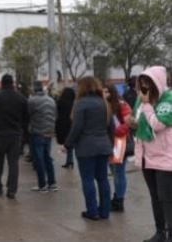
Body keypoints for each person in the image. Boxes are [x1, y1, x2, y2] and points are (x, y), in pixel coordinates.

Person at [128, 66, 172, 242]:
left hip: (165, 158)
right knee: (155, 197)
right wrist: (132, 122)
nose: (144, 86)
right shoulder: (142, 100)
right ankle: (160, 232)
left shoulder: (168, 99)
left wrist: (146, 105)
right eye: (142, 82)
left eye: (148, 82)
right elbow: (138, 120)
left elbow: (158, 125)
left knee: (166, 198)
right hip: (147, 157)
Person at [65, 76, 112, 221]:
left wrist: (68, 143)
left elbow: (77, 127)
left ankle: (92, 211)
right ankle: (105, 211)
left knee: (88, 180)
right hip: (104, 145)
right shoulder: (103, 102)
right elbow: (109, 126)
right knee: (103, 179)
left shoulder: (80, 103)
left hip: (86, 147)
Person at [0, 74, 28, 199]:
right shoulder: (21, 98)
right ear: (13, 83)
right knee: (13, 163)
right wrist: (21, 131)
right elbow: (26, 117)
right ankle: (12, 190)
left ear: (2, 83)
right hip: (15, 135)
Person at [103, 83, 132, 212]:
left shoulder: (121, 104)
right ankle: (117, 198)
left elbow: (128, 122)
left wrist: (117, 132)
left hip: (119, 142)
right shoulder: (103, 105)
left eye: (107, 92)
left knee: (119, 173)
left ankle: (119, 200)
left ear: (112, 92)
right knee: (115, 172)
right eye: (103, 92)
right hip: (109, 142)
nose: (105, 94)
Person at [28, 81, 58, 193]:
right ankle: (52, 183)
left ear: (34, 89)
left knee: (39, 159)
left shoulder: (32, 100)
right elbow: (56, 115)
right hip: (49, 132)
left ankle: (42, 185)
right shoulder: (51, 100)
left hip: (37, 132)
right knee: (47, 158)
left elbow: (28, 114)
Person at [55, 87, 76, 169]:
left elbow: (57, 112)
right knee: (70, 143)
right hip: (71, 124)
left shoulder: (60, 102)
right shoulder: (74, 103)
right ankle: (70, 161)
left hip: (62, 124)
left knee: (67, 143)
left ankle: (69, 161)